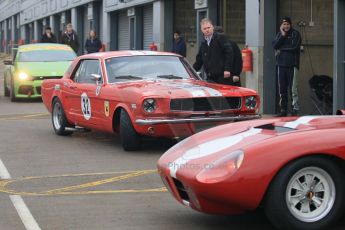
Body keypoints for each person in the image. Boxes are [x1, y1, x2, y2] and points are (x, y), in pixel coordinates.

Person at [193, 18, 237, 86]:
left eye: (209, 27)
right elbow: (199, 61)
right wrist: (190, 72)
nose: (207, 30)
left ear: (212, 27)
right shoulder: (203, 44)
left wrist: (227, 69)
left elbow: (229, 53)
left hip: (223, 76)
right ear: (201, 30)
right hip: (210, 78)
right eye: (205, 28)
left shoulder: (220, 38)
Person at [273, 16, 301, 116]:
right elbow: (275, 46)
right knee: (282, 89)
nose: (286, 26)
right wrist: (283, 35)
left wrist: (282, 49)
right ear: (281, 25)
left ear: (290, 24)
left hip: (292, 65)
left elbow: (294, 47)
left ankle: (295, 109)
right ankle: (283, 110)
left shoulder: (296, 34)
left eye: (288, 24)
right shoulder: (279, 34)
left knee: (293, 89)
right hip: (280, 65)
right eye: (284, 24)